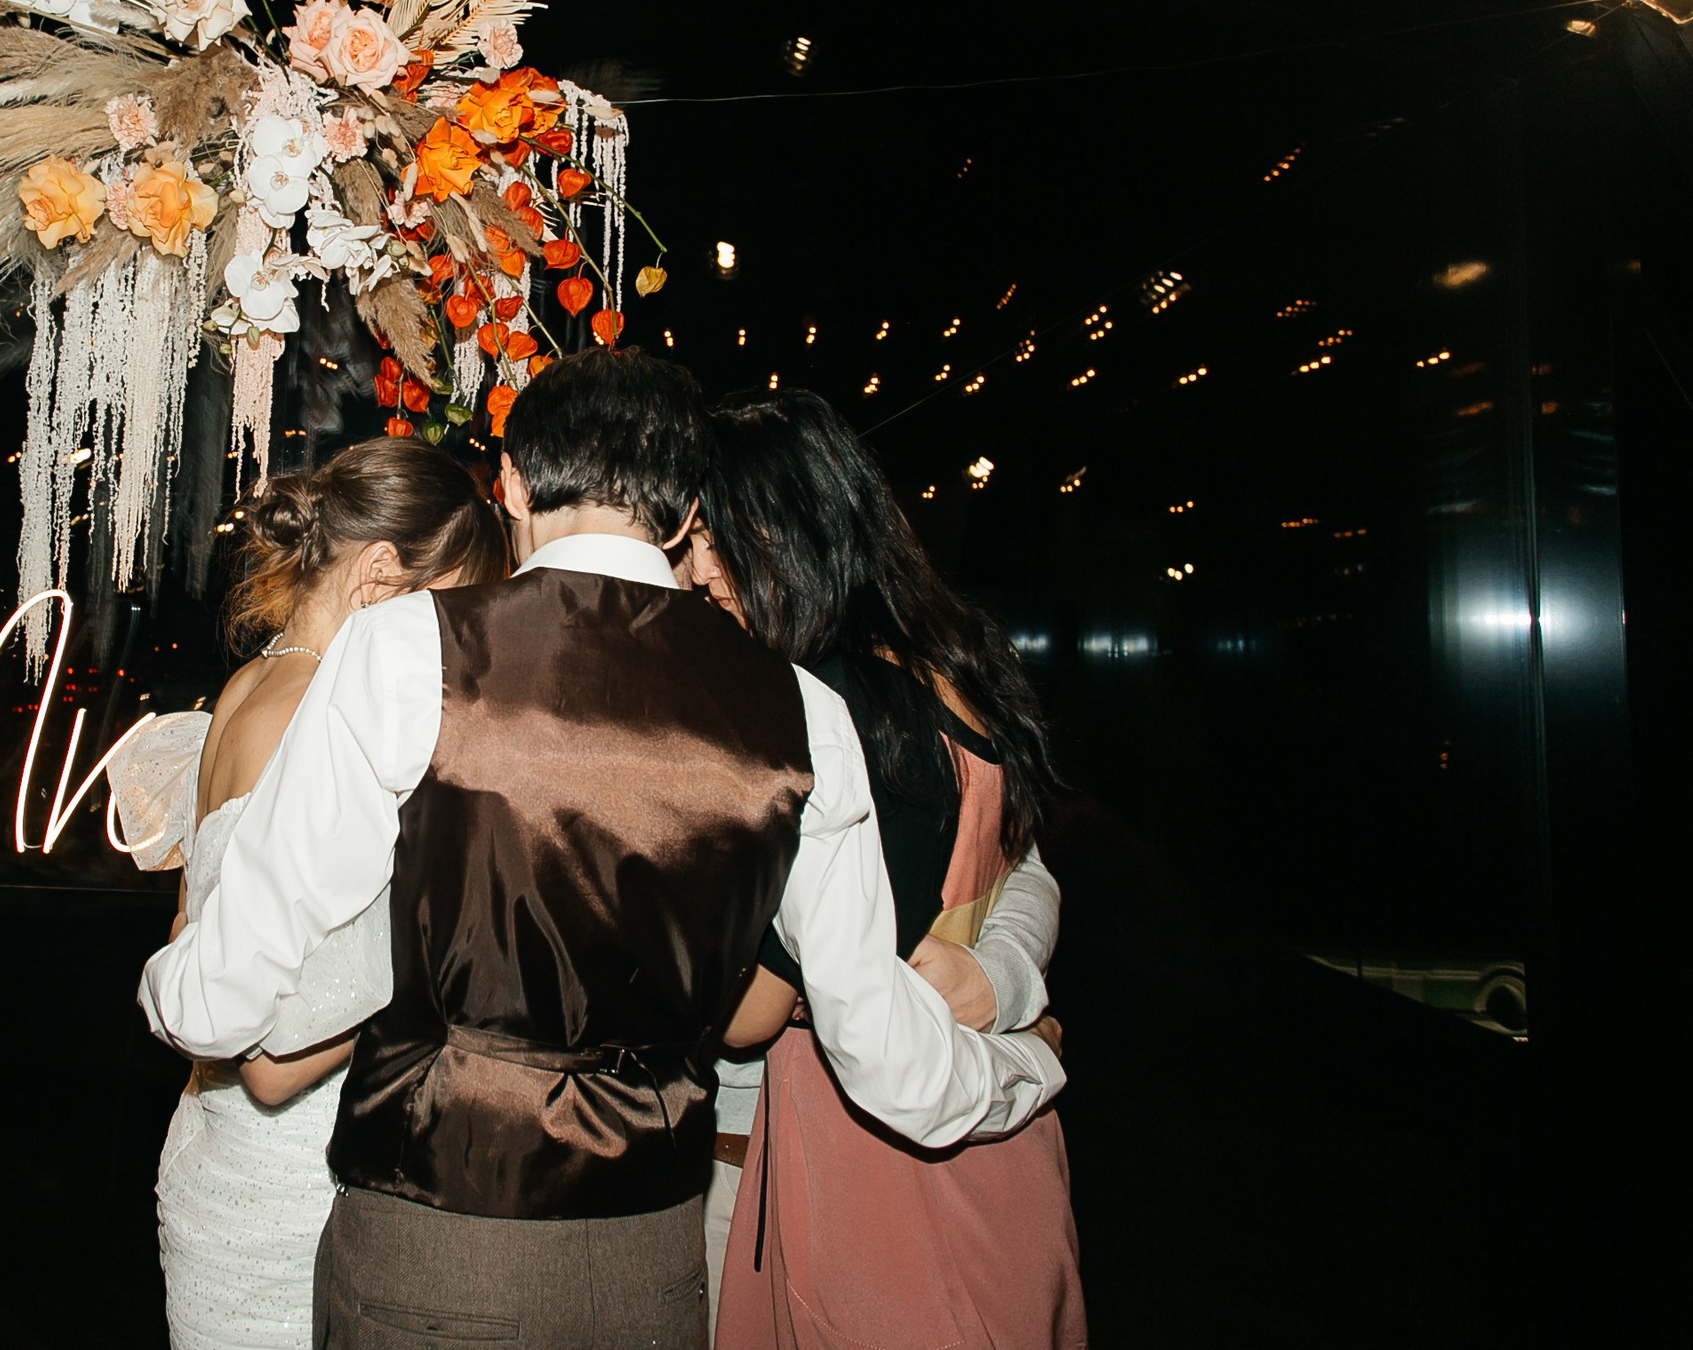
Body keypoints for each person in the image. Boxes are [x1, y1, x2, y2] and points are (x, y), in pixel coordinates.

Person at [140, 350, 1065, 1350]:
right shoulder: (805, 712)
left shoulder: (403, 649)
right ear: (683, 517)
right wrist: (1027, 1061)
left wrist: (167, 977)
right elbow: (898, 1073)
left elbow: (218, 1003)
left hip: (436, 1250)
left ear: (511, 484)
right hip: (653, 1265)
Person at [691, 388, 1085, 1349]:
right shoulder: (961, 660)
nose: (697, 569)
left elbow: (749, 1013)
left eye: (712, 536)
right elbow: (1022, 866)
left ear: (780, 532)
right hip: (1003, 1168)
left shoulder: (833, 709)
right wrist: (1009, 985)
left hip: (877, 1178)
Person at [137, 437, 505, 1350]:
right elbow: (274, 1060)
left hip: (210, 1152)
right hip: (292, 1189)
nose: (454, 644)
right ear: (380, 576)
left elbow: (189, 926)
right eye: (449, 608)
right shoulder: (320, 725)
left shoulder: (246, 684)